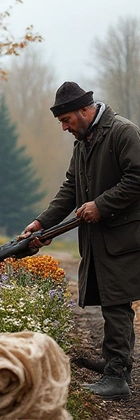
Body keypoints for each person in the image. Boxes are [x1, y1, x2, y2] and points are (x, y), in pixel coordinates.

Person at [21, 81, 140, 400]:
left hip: (124, 237)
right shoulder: (83, 143)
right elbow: (70, 189)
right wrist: (41, 223)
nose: (63, 128)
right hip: (100, 240)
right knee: (110, 300)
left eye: (66, 120)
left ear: (85, 111)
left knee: (117, 301)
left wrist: (101, 205)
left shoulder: (122, 132)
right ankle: (117, 362)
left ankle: (117, 378)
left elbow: (138, 178)